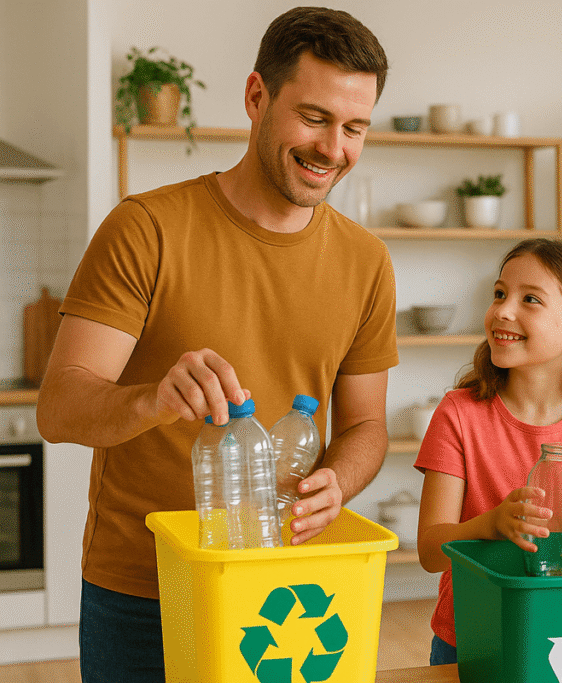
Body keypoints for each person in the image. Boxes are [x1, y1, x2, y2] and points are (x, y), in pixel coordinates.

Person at [35, 8, 396, 682]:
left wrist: (336, 482)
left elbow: (368, 425)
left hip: (288, 589)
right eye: (315, 118)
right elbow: (58, 406)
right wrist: (152, 398)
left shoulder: (366, 261)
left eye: (355, 128)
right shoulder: (146, 228)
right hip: (144, 591)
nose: (334, 148)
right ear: (257, 97)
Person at [415, 238, 562, 665]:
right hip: (475, 632)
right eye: (500, 293)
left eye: (530, 299)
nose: (503, 310)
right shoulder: (459, 413)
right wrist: (492, 523)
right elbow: (431, 550)